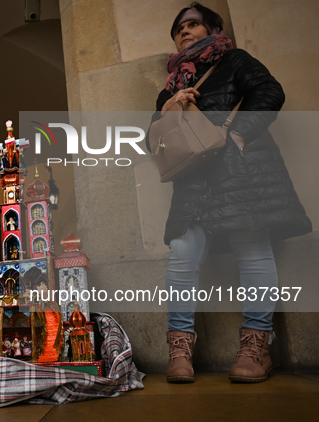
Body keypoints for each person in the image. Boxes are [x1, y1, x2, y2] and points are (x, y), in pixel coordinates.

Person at [148, 3, 312, 384]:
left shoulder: (234, 59)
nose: (184, 32)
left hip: (242, 172)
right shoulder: (170, 85)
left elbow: (270, 91)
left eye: (193, 25)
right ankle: (180, 350)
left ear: (211, 28)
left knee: (252, 249)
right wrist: (168, 109)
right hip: (193, 180)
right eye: (179, 29)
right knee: (182, 255)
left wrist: (238, 133)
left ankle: (256, 348)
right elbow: (154, 141)